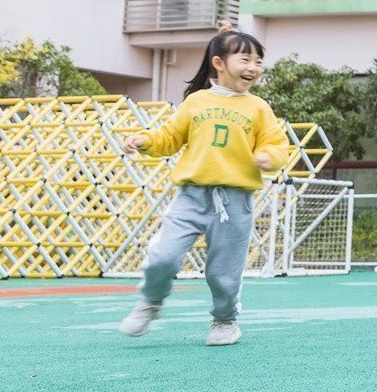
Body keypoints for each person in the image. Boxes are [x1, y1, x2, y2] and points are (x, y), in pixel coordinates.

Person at [117, 30, 292, 346]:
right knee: (162, 256)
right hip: (191, 197)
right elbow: (169, 137)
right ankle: (151, 302)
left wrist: (269, 157)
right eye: (245, 59)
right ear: (219, 63)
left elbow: (277, 144)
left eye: (258, 61)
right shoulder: (196, 101)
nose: (253, 67)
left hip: (235, 202)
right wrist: (144, 140)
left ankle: (225, 320)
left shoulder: (259, 108)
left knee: (223, 272)